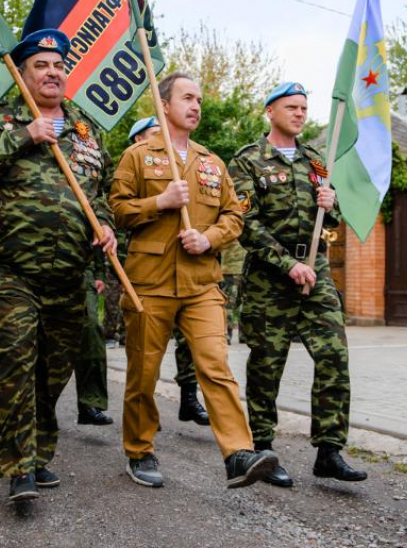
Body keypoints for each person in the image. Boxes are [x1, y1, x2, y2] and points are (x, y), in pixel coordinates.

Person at [0, 29, 117, 503]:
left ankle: (39, 454)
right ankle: (18, 464)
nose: (53, 72)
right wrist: (23, 136)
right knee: (16, 362)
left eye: (59, 65)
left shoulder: (85, 128)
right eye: (41, 65)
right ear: (22, 72)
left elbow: (97, 195)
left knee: (53, 370)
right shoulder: (0, 117)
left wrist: (104, 226)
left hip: (69, 275)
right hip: (9, 269)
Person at [110, 72, 277, 489]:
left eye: (199, 99)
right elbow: (115, 209)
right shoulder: (138, 155)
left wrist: (209, 238)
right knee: (144, 374)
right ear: (163, 105)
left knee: (216, 366)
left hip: (202, 284)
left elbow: (234, 215)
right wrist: (160, 202)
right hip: (149, 283)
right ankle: (140, 448)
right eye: (187, 98)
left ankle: (238, 453)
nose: (196, 106)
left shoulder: (210, 162)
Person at [228, 81, 367, 488]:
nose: (300, 114)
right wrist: (287, 264)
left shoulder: (315, 159)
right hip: (271, 276)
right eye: (291, 107)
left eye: (304, 108)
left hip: (316, 268)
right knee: (268, 364)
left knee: (333, 356)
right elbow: (245, 225)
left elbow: (333, 214)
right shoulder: (248, 160)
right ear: (270, 112)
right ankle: (263, 447)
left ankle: (329, 450)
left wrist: (332, 203)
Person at [127, 117, 210, 427]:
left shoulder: (190, 162)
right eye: (153, 134)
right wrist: (161, 201)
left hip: (188, 270)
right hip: (146, 269)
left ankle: (189, 397)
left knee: (194, 344)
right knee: (147, 354)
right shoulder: (136, 165)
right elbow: (120, 211)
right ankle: (143, 416)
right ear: (138, 141)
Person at [74, 254, 114, 426]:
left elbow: (98, 233)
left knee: (91, 332)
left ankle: (90, 402)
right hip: (34, 268)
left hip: (82, 271)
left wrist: (99, 273)